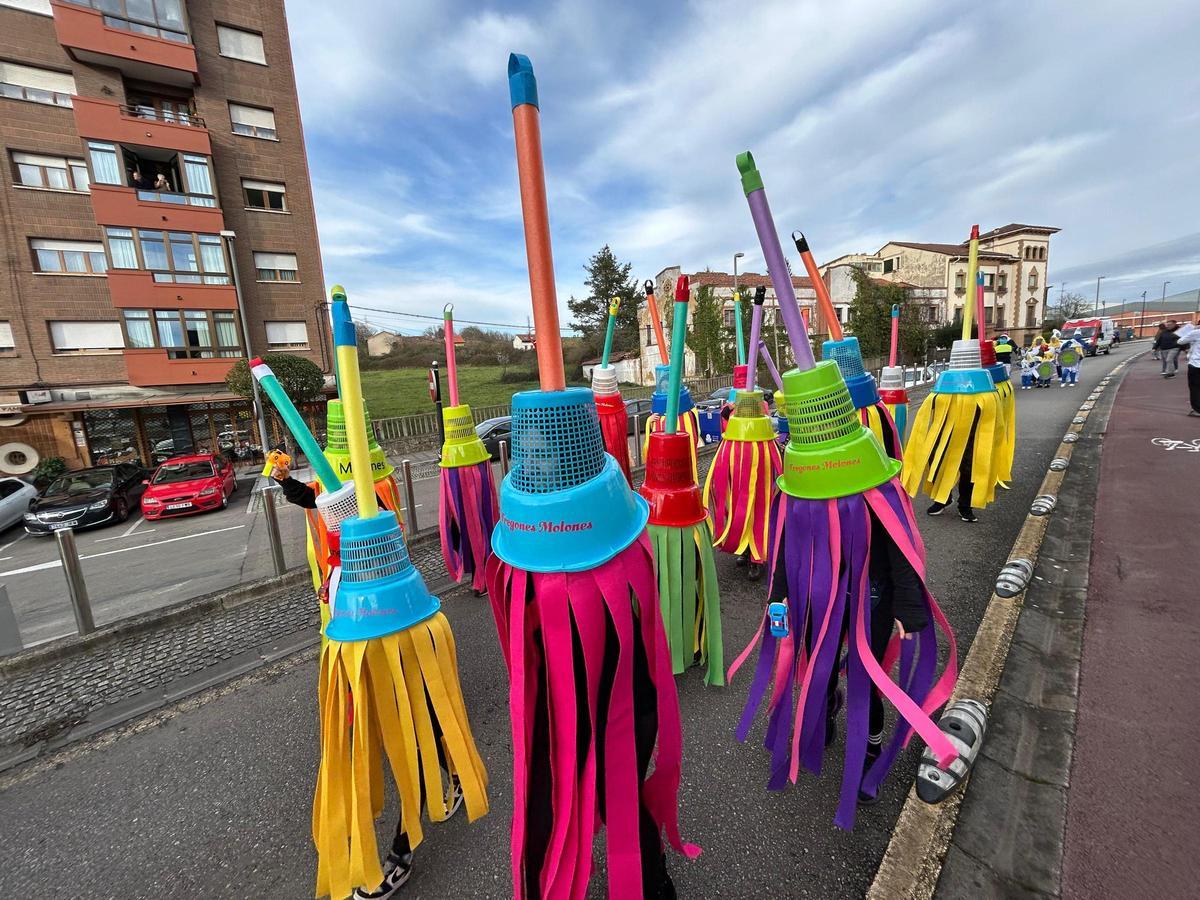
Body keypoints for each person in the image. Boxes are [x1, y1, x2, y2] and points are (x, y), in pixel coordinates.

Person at [1174, 319, 1200, 416]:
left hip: (1196, 363)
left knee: (1195, 387)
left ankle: (1197, 410)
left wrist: (1192, 330)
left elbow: (1180, 341)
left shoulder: (1196, 332)